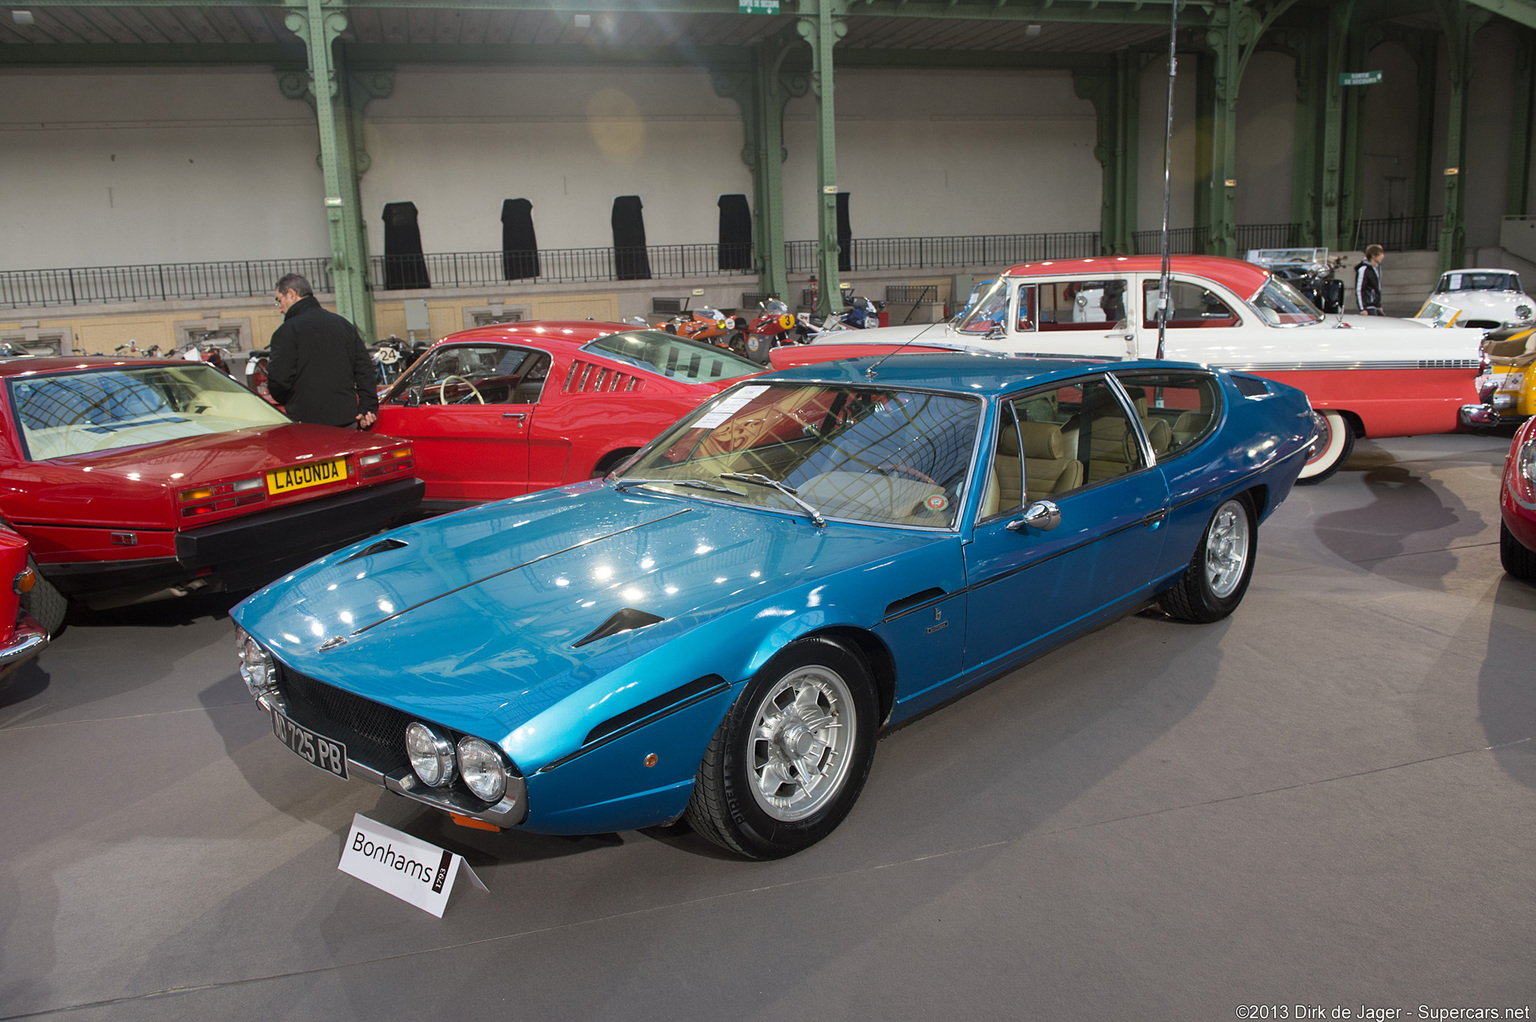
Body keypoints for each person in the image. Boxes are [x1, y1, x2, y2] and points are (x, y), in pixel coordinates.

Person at [266, 274, 378, 428]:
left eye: (279, 300)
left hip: (308, 424)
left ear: (291, 294)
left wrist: (288, 400)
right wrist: (367, 408)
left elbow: (279, 380)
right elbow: (365, 370)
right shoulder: (343, 325)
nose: (280, 309)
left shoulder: (287, 331)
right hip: (347, 419)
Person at [1355, 244, 1385, 316]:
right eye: (1380, 254)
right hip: (1368, 306)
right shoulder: (1364, 269)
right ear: (1373, 256)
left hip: (1375, 306)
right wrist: (1362, 308)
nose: (1383, 256)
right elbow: (1359, 289)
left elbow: (1377, 289)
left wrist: (1379, 305)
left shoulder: (1377, 268)